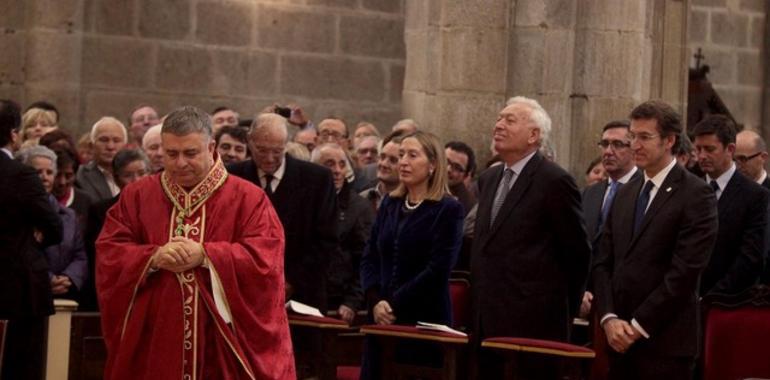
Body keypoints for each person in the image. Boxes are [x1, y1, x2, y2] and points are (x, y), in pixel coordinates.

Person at [96, 106, 294, 379]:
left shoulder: (249, 199)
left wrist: (206, 255)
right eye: (171, 154)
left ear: (211, 147)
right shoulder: (137, 196)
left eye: (190, 153)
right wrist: (152, 258)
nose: (180, 163)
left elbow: (265, 259)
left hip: (220, 345)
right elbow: (110, 251)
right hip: (156, 338)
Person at [593, 100, 718, 379]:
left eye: (645, 137)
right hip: (618, 340)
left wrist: (636, 327)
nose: (635, 145)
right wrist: (609, 318)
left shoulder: (696, 194)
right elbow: (603, 260)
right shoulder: (626, 192)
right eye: (633, 136)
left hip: (665, 344)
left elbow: (684, 273)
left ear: (669, 141)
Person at [471, 96, 590, 378]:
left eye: (509, 120)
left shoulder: (554, 181)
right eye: (499, 118)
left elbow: (577, 252)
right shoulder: (489, 178)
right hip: (485, 317)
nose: (498, 125)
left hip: (534, 322)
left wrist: (562, 312)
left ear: (533, 135)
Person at [360, 131, 464, 379]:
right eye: (401, 155)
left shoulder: (448, 209)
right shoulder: (390, 204)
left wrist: (393, 303)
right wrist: (376, 301)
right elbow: (370, 257)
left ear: (432, 164)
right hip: (382, 319)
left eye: (412, 155)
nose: (403, 161)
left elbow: (438, 268)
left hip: (424, 320)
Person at [228, 113, 338, 312]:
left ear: (286, 145)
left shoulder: (317, 180)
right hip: (245, 293)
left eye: (277, 151)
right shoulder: (231, 177)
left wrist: (291, 281)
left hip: (303, 293)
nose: (270, 159)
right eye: (261, 150)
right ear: (249, 143)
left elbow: (326, 240)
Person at [0, 99, 62, 380]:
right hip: (16, 287)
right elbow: (54, 225)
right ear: (14, 134)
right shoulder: (21, 175)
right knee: (20, 365)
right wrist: (31, 238)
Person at [692, 115, 768, 296]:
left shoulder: (755, 196)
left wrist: (710, 299)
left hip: (727, 304)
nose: (702, 156)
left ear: (730, 149)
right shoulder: (690, 189)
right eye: (698, 149)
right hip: (685, 304)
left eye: (710, 149)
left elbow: (750, 259)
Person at [580, 120, 639, 317]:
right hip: (585, 302)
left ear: (634, 149)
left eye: (618, 145)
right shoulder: (590, 194)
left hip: (625, 306)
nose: (608, 151)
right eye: (604, 144)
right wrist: (581, 291)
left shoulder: (645, 192)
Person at [311, 143, 375, 323]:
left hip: (340, 301)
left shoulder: (359, 208)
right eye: (329, 164)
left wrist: (352, 301)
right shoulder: (303, 202)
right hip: (307, 297)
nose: (337, 170)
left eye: (342, 164)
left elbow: (365, 259)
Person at [17, 145, 88, 300]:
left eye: (49, 172)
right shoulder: (13, 213)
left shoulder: (69, 216)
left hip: (65, 295)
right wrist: (47, 279)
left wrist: (69, 277)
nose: (44, 177)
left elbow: (80, 255)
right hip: (25, 295)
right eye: (38, 172)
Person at [76, 117, 127, 201]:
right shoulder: (79, 177)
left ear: (125, 146)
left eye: (116, 140)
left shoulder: (136, 176)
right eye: (104, 140)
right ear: (92, 146)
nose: (110, 146)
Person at [360, 130, 404, 211]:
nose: (384, 164)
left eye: (393, 160)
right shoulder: (362, 198)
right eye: (382, 157)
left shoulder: (410, 205)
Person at [445, 141, 477, 214]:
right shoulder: (419, 182)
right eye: (446, 161)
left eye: (457, 167)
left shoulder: (468, 206)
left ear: (465, 176)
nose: (448, 169)